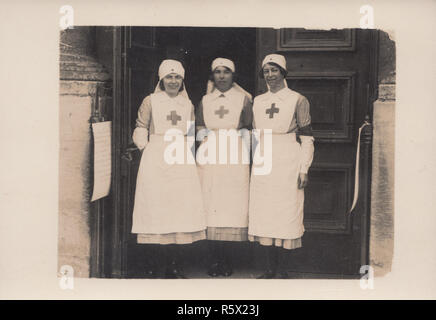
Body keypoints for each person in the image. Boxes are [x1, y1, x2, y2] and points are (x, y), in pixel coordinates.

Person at [131, 59, 206, 279]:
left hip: (180, 158)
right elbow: (140, 126)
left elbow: (192, 133)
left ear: (182, 80)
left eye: (177, 77)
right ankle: (152, 264)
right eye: (169, 77)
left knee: (177, 211)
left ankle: (174, 265)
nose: (173, 81)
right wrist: (147, 149)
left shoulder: (188, 104)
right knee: (155, 209)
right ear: (161, 79)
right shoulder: (151, 101)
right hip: (156, 157)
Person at [248, 54, 315, 279]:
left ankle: (283, 269)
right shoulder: (257, 101)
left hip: (288, 159)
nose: (270, 75)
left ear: (283, 72)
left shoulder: (298, 100)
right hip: (264, 160)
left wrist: (304, 168)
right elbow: (255, 135)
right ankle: (269, 269)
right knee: (265, 212)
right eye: (266, 71)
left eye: (274, 70)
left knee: (286, 211)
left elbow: (307, 138)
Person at [196, 58, 253, 277]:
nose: (221, 76)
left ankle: (227, 260)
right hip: (210, 155)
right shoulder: (205, 100)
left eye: (226, 72)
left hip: (234, 154)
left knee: (230, 205)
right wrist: (205, 147)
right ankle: (214, 260)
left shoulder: (243, 99)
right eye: (217, 72)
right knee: (211, 204)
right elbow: (200, 126)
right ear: (212, 76)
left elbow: (248, 126)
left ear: (233, 76)